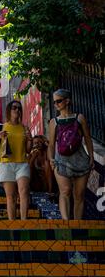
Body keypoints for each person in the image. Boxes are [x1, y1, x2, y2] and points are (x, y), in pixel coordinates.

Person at [48, 89, 94, 220]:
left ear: (67, 101)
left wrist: (91, 156)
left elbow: (88, 138)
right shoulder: (54, 122)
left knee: (79, 195)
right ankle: (66, 223)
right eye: (54, 102)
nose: (56, 104)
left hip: (80, 160)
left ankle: (77, 224)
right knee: (65, 191)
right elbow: (51, 144)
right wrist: (51, 158)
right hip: (61, 161)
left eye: (59, 101)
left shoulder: (79, 118)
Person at [0, 100, 33, 220]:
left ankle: (24, 222)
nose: (17, 110)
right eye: (14, 108)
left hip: (22, 164)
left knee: (24, 191)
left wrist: (30, 139)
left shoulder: (24, 128)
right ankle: (12, 224)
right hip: (6, 164)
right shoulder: (2, 127)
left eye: (19, 108)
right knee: (11, 196)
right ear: (9, 110)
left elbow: (28, 150)